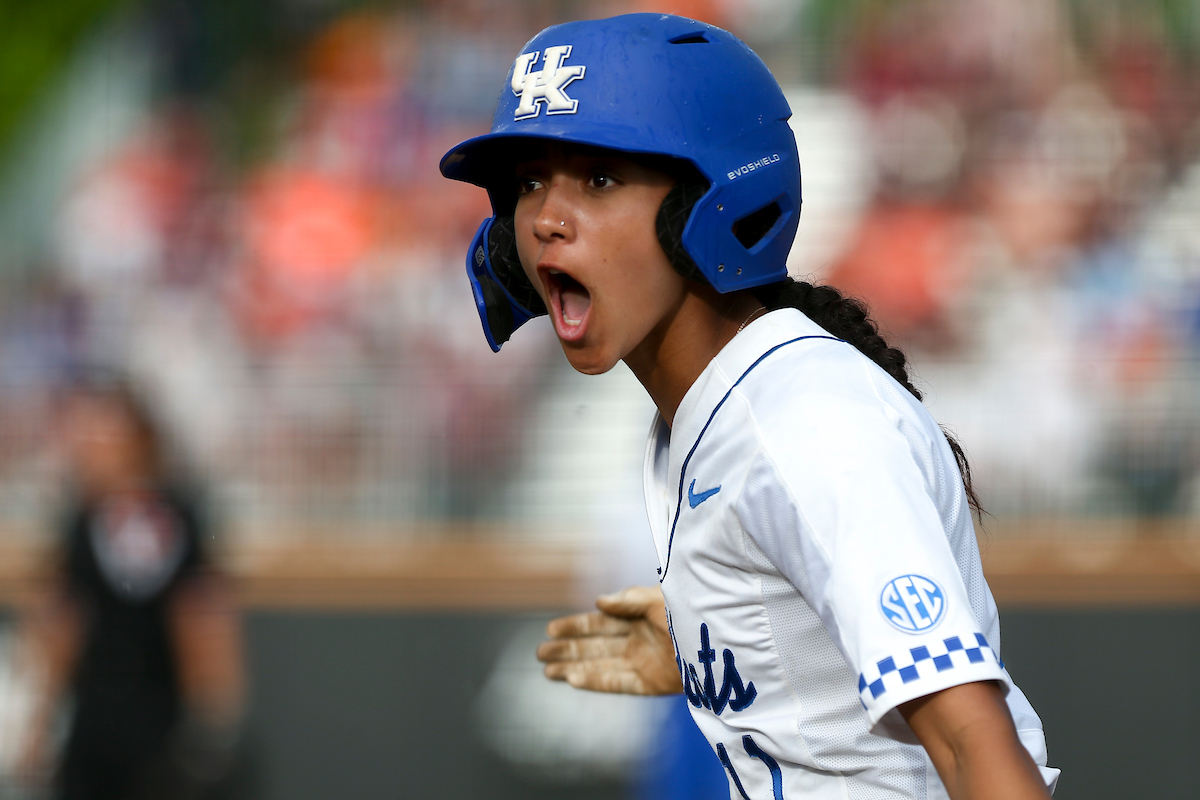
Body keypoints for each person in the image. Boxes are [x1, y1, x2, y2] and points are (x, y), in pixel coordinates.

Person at [440, 13, 1059, 800]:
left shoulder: (806, 422)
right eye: (530, 182)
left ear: (710, 201)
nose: (546, 219)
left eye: (598, 179)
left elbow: (976, 745)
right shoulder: (712, 408)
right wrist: (732, 654)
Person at [15, 375, 248, 800]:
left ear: (139, 438)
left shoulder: (176, 515)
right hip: (94, 720)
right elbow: (63, 622)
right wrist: (38, 723)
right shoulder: (83, 522)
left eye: (102, 431)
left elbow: (202, 617)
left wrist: (214, 717)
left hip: (160, 718)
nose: (88, 445)